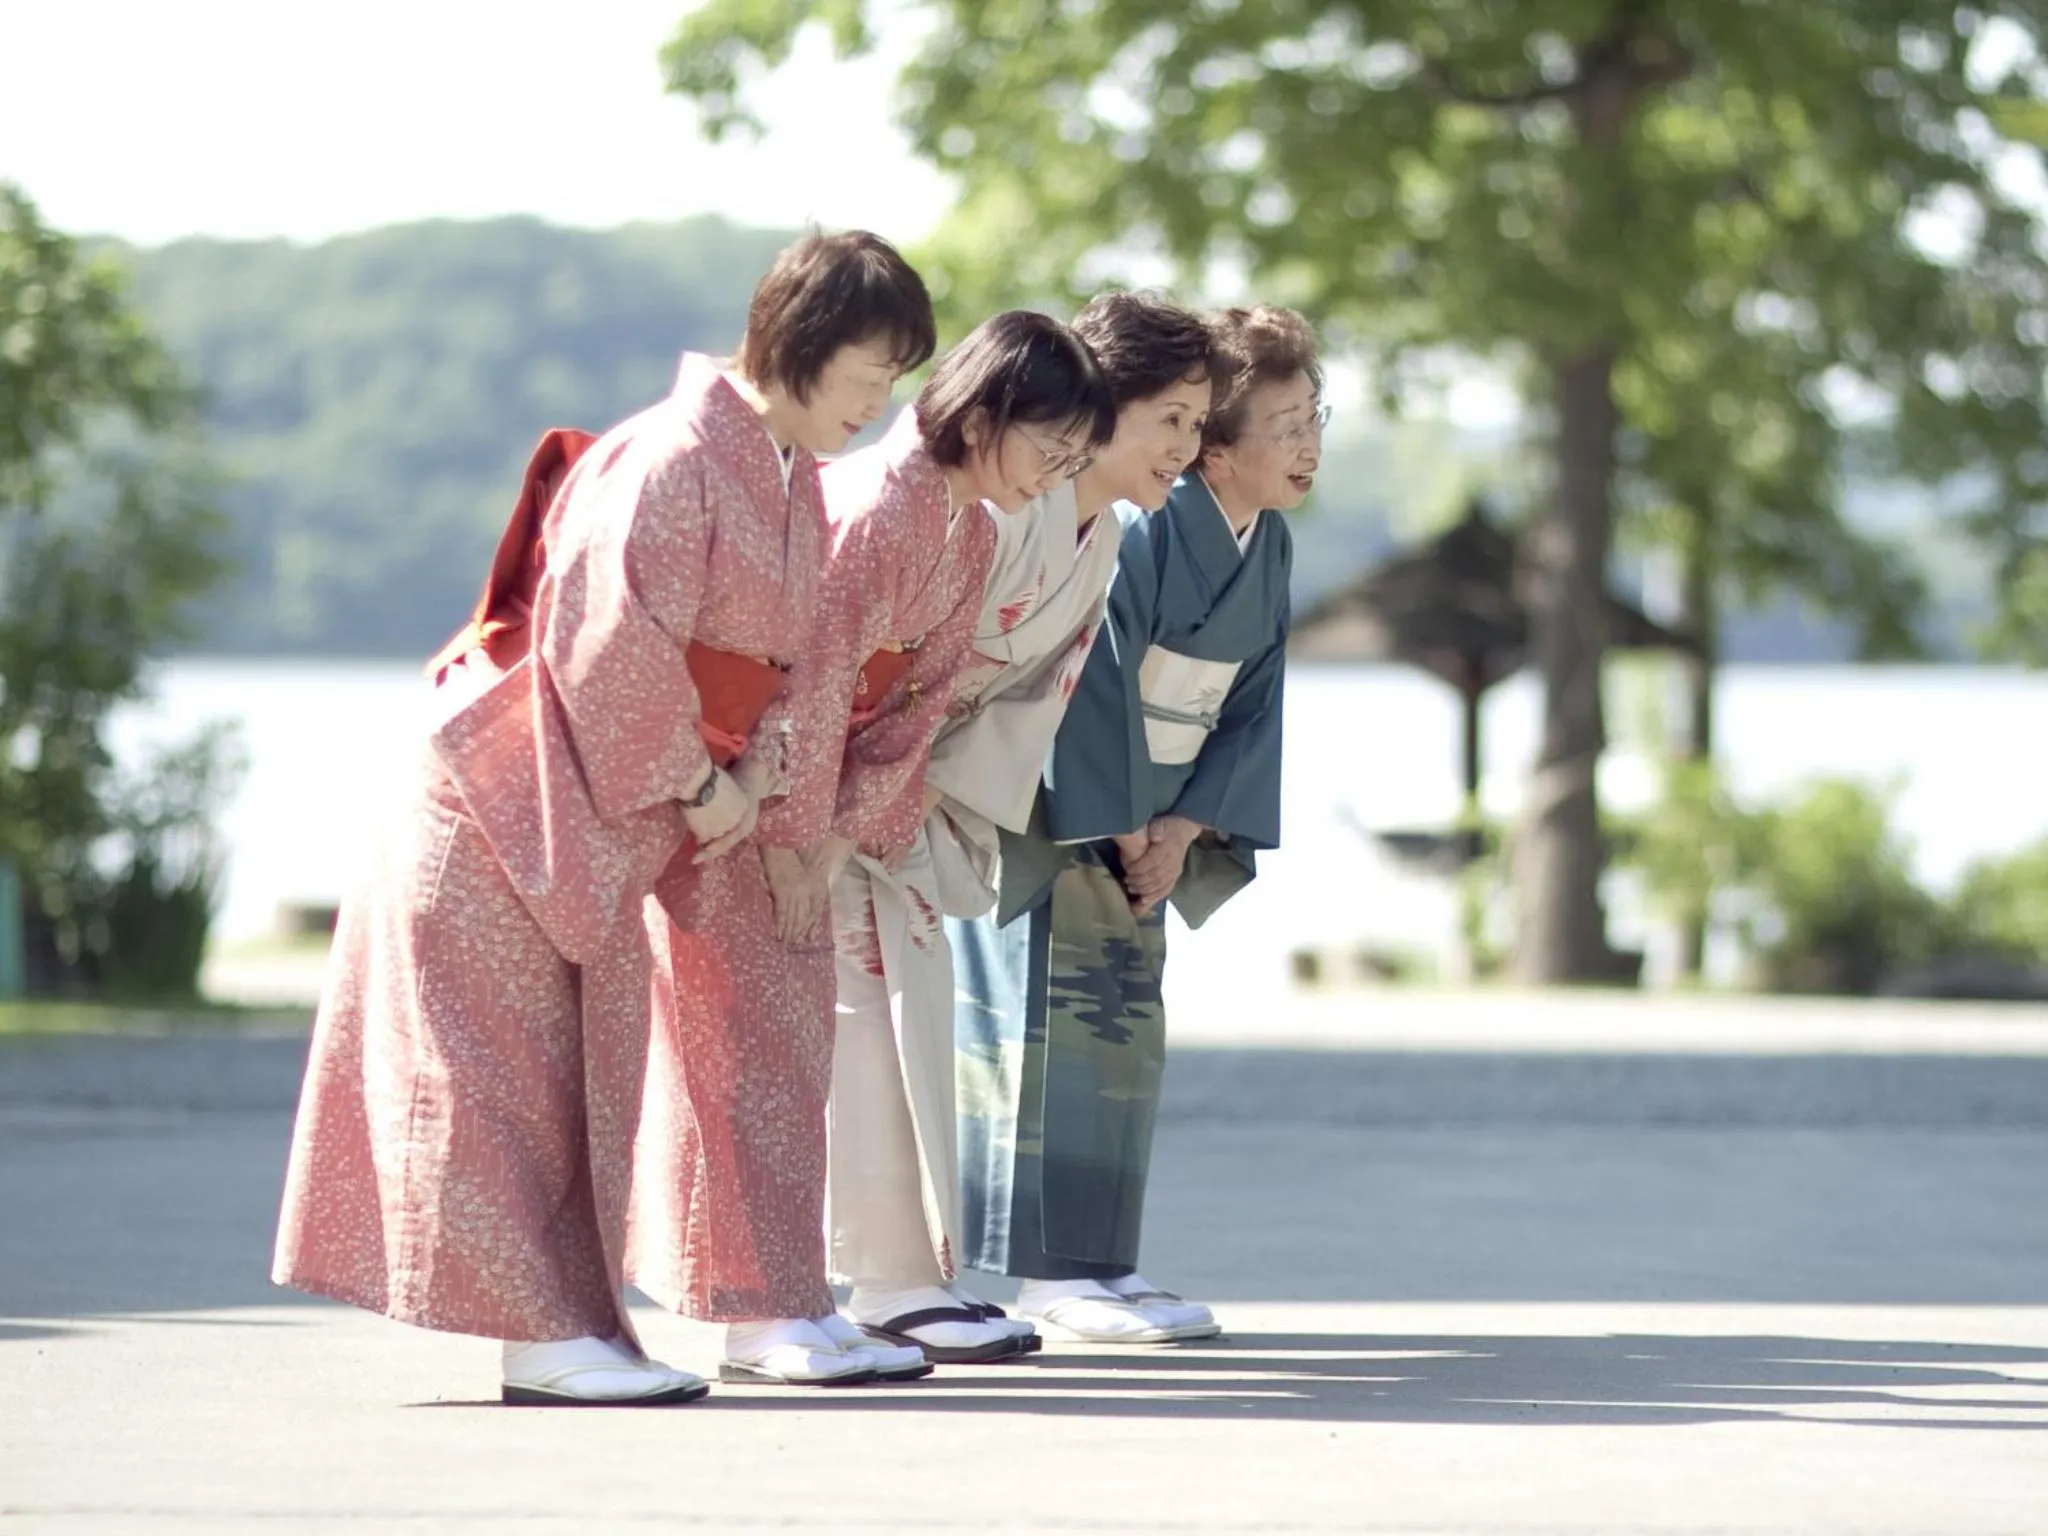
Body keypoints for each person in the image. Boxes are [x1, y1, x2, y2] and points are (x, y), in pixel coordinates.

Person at [271, 229, 936, 1405]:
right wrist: (698, 785)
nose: (878, 405)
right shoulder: (670, 457)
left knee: (676, 1039)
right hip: (509, 793)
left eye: (894, 382)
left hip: (635, 793)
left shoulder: (776, 472)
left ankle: (693, 1314)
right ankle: (540, 1338)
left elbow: (780, 667)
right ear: (802, 341)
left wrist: (758, 783)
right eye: (869, 374)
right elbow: (608, 649)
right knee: (505, 1066)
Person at [624, 309, 1112, 1384]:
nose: (1057, 473)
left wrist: (841, 834)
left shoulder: (966, 530)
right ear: (982, 415)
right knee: (753, 1053)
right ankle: (770, 1305)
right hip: (748, 800)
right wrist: (795, 836)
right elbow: (816, 680)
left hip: (825, 813)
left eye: (1076, 457)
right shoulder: (874, 509)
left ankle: (823, 1291)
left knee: (822, 1047)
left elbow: (912, 710)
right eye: (1048, 446)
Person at [826, 293, 1219, 1363]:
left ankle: (905, 1279)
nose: (1187, 449)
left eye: (1198, 425)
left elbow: (1019, 705)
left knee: (906, 1028)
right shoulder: (991, 513)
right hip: (844, 785)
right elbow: (883, 670)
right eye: (1170, 420)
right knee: (867, 1031)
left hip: (908, 791)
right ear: (1099, 408)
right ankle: (878, 1282)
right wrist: (860, 796)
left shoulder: (1093, 539)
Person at [953, 304, 1322, 1344]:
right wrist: (1125, 825)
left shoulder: (1270, 548)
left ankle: (1097, 1266)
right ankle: (1039, 1277)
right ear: (1215, 446)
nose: (1307, 446)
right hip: (1064, 812)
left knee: (1118, 1037)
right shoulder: (1143, 530)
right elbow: (1093, 676)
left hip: (1153, 817)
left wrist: (1188, 821)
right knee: (1038, 1036)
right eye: (1284, 424)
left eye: (1313, 419)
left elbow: (1254, 699)